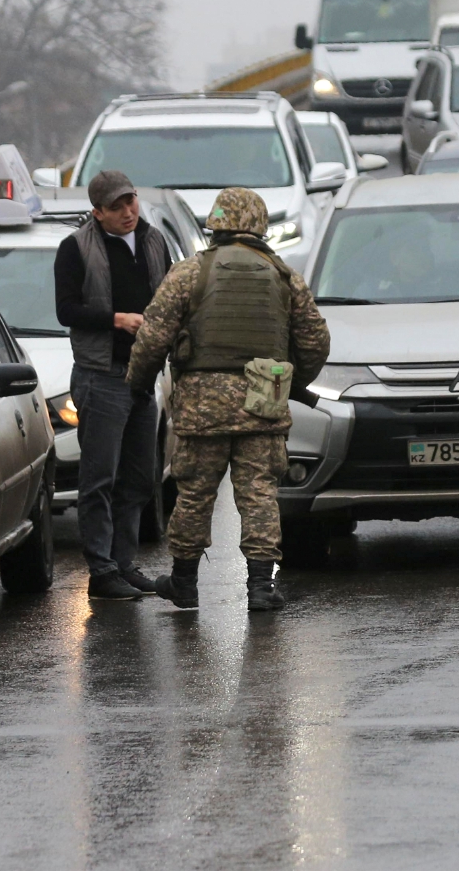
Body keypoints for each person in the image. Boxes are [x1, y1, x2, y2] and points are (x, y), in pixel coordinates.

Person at [127, 187, 331, 611]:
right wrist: (289, 378)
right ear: (258, 225)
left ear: (216, 225)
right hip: (264, 400)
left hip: (203, 405)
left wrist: (139, 382)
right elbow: (315, 341)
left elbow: (153, 336)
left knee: (195, 494)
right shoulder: (283, 276)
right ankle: (260, 587)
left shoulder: (189, 273)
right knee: (259, 493)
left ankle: (183, 583)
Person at [55, 169, 172, 600]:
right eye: (117, 207)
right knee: (99, 478)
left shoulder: (154, 240)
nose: (128, 212)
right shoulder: (75, 249)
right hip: (101, 376)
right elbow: (66, 310)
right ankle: (101, 571)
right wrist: (116, 320)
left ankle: (125, 564)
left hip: (143, 376)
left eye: (132, 202)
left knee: (140, 478)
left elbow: (171, 296)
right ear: (97, 212)